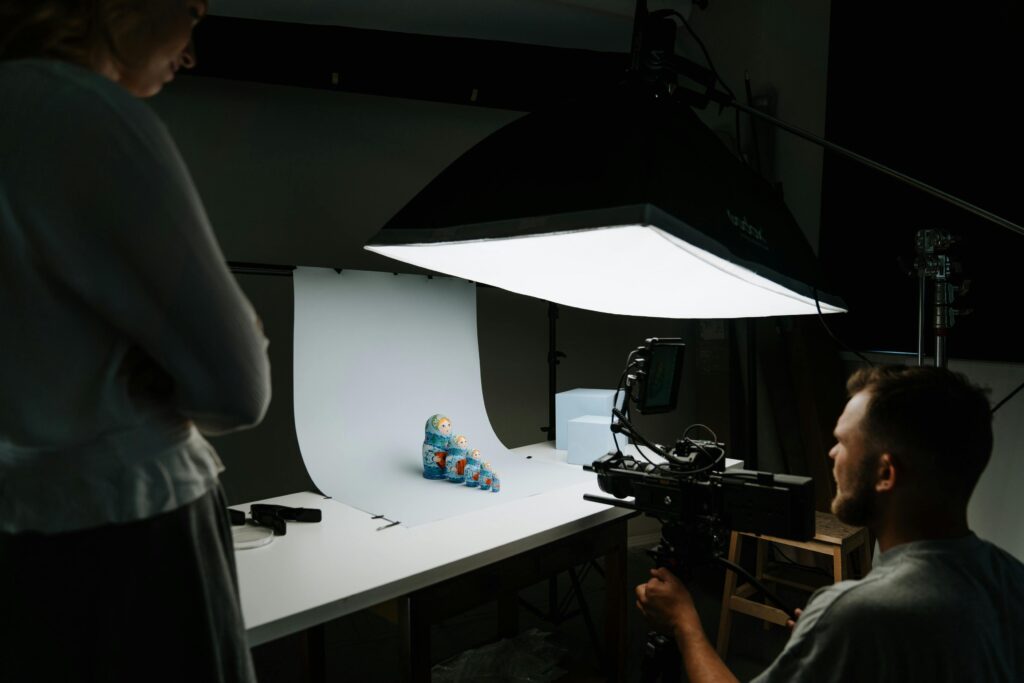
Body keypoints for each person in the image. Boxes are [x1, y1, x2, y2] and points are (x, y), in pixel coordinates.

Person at [0, 1, 270, 681]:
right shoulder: (85, 113)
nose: (190, 53)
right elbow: (239, 387)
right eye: (195, 14)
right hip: (134, 527)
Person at [635, 365, 1024, 682]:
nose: (832, 452)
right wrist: (829, 642)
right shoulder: (1012, 580)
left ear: (885, 473)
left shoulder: (855, 613)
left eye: (843, 442)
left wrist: (684, 624)